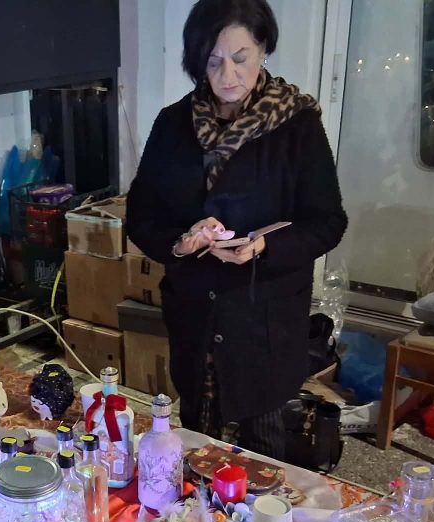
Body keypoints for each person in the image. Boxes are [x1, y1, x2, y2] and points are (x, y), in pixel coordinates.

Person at [126, 0, 347, 460]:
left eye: (240, 57)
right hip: (195, 313)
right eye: (213, 61)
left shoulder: (297, 125)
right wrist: (181, 242)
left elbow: (327, 222)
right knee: (197, 445)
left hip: (263, 318)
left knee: (263, 455)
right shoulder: (173, 124)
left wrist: (264, 245)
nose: (227, 75)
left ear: (263, 48)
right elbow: (141, 217)